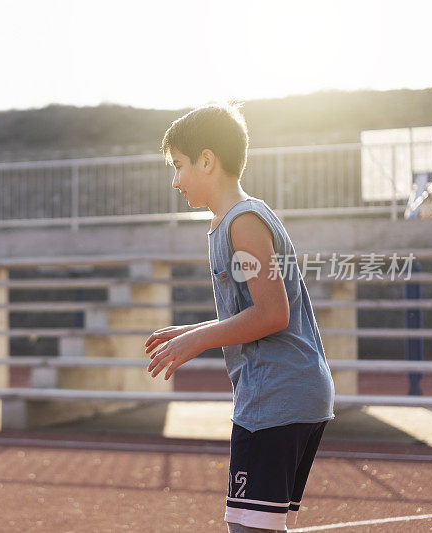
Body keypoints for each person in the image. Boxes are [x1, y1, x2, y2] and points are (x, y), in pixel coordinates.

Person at [145, 104, 334, 533]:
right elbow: (258, 309)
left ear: (207, 161)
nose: (174, 181)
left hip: (276, 396)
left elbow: (272, 313)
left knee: (248, 530)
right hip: (287, 393)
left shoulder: (243, 223)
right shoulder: (231, 222)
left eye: (178, 166)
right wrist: (191, 331)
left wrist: (201, 340)